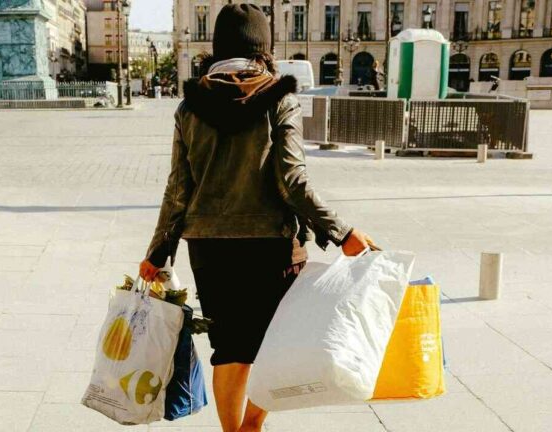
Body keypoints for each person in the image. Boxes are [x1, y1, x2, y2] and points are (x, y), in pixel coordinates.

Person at [139, 4, 376, 432]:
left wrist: (158, 254)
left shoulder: (188, 108)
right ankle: (253, 425)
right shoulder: (280, 99)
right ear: (263, 49)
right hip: (271, 246)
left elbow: (178, 190)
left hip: (209, 248)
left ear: (217, 48)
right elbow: (292, 180)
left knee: (228, 348)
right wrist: (342, 232)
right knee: (275, 343)